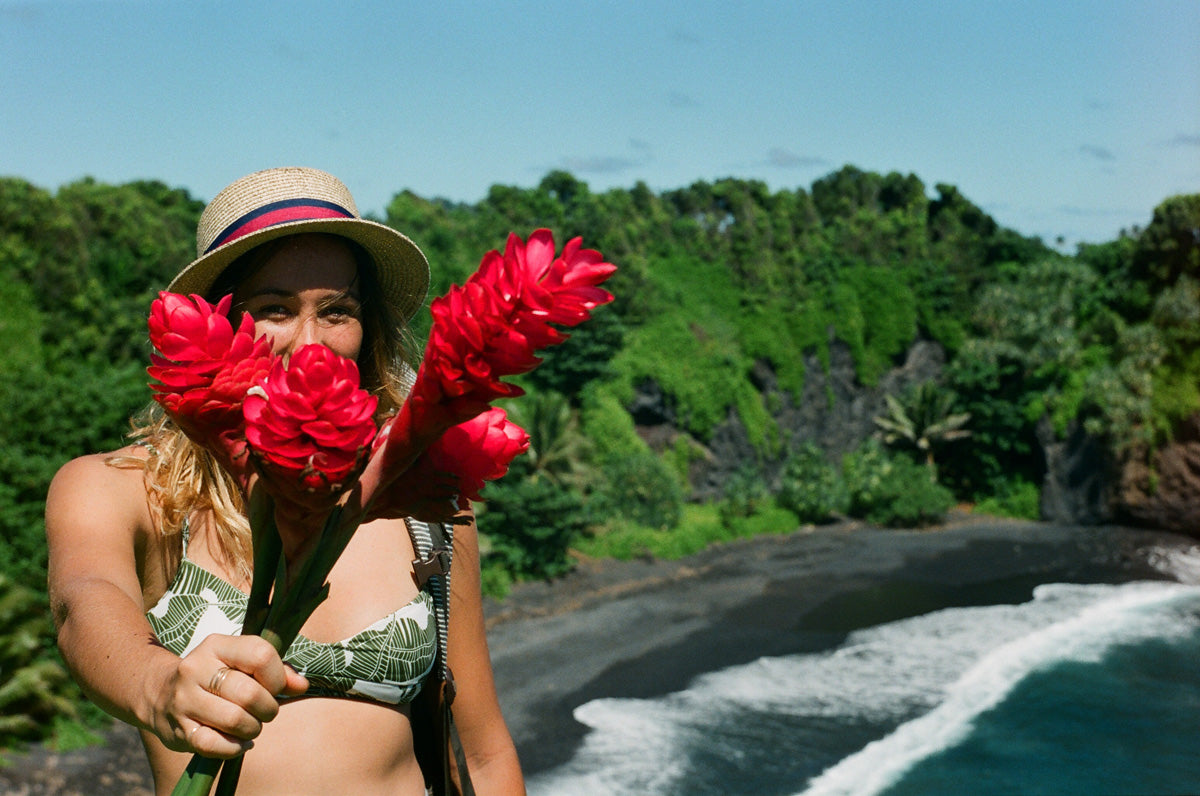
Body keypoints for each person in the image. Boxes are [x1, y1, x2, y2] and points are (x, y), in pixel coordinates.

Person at [45, 167, 526, 796]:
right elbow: (83, 601)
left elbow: (486, 757)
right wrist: (159, 685)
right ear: (217, 318)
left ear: (368, 329)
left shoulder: (423, 504)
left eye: (337, 311)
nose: (310, 343)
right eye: (272, 308)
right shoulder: (127, 489)